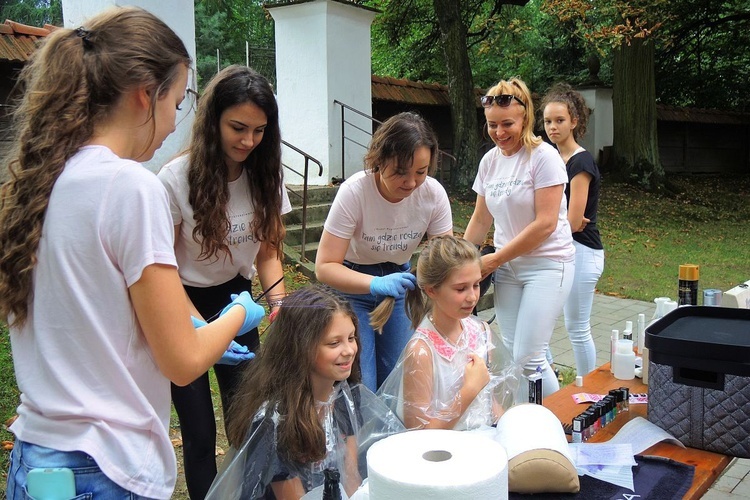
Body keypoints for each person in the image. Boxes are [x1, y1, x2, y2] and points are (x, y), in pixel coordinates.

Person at [0, 7, 264, 499]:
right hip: (104, 468)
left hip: (36, 460)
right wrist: (236, 315)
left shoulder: (39, 181)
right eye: (179, 100)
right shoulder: (129, 187)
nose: (174, 122)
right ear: (147, 94)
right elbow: (183, 362)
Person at [157, 64, 290, 499]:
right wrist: (200, 325)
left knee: (250, 421)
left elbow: (268, 252)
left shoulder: (265, 174)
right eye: (238, 127)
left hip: (238, 300)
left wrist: (279, 306)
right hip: (182, 304)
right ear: (212, 118)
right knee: (198, 430)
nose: (248, 141)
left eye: (259, 131)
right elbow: (163, 271)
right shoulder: (175, 179)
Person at [206, 285, 405, 499]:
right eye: (334, 343)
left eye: (351, 337)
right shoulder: (275, 422)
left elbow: (351, 475)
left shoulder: (345, 396)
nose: (349, 350)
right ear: (301, 347)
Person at [315, 112, 453, 391]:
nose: (411, 183)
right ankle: (357, 436)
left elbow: (444, 259)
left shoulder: (433, 195)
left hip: (398, 285)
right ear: (378, 160)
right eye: (401, 172)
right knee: (360, 383)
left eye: (421, 172)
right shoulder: (355, 192)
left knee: (398, 378)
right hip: (351, 286)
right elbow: (325, 266)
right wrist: (374, 284)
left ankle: (392, 436)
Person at [463, 77, 575, 403]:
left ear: (525, 117)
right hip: (509, 270)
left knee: (529, 357)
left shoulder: (544, 158)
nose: (499, 133)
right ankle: (533, 418)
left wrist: (494, 259)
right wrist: (463, 260)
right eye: (492, 125)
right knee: (514, 356)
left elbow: (545, 224)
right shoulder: (490, 161)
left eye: (507, 124)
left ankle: (557, 423)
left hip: (548, 266)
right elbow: (481, 219)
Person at [378, 236, 517, 431]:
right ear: (432, 291)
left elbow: (490, 402)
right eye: (461, 288)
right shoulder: (422, 352)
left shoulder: (480, 332)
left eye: (476, 285)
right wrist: (469, 390)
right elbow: (419, 433)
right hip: (444, 455)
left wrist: (508, 431)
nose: (472, 297)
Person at [542, 83, 604, 376]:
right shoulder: (550, 159)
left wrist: (549, 224)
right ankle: (550, 373)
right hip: (560, 247)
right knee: (543, 316)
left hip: (582, 250)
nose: (552, 127)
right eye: (548, 121)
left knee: (576, 327)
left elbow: (575, 219)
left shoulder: (581, 161)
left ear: (575, 122)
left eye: (559, 120)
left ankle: (589, 389)